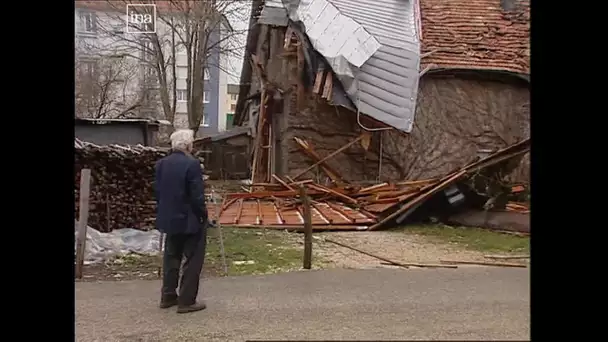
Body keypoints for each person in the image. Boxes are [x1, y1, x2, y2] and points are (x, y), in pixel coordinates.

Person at [154, 129, 208, 314]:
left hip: (169, 218)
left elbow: (158, 192)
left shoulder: (161, 164)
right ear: (188, 145)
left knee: (171, 257)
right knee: (193, 260)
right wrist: (204, 215)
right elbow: (197, 195)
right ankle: (186, 301)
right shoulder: (192, 164)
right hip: (190, 219)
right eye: (192, 143)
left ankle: (167, 296)